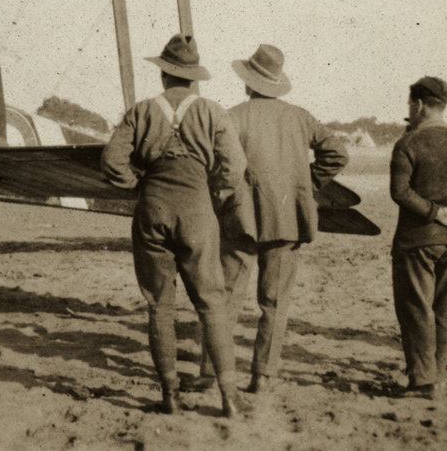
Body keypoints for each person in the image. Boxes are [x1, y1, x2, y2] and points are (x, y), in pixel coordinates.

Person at [101, 34, 256, 418]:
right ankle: (229, 398)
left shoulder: (140, 111)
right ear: (193, 77)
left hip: (152, 208)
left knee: (159, 307)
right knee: (212, 304)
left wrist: (139, 185)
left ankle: (170, 394)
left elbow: (111, 162)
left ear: (164, 74)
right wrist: (213, 194)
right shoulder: (213, 111)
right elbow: (235, 169)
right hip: (198, 209)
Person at [226, 44, 348, 394]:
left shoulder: (233, 116)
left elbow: (219, 165)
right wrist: (306, 183)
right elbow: (338, 153)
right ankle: (262, 376)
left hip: (241, 221)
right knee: (275, 303)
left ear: (248, 82)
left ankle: (211, 372)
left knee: (227, 297)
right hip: (288, 221)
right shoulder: (300, 116)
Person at [388, 77, 447, 399]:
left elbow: (400, 192)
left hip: (416, 238)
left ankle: (422, 380)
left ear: (418, 105)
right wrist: (443, 214)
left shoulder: (408, 143)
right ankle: (440, 375)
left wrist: (432, 213)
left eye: (411, 104)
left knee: (415, 309)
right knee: (442, 311)